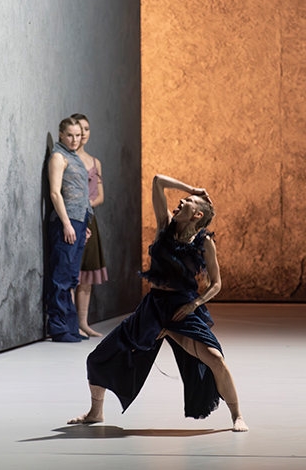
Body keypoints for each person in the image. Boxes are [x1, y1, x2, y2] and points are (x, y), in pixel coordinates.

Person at [68, 174, 248, 431]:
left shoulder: (205, 243)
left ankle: (237, 415)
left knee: (215, 358)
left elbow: (216, 284)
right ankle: (96, 413)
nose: (180, 202)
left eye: (187, 201)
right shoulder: (165, 226)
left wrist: (194, 304)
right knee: (98, 357)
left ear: (197, 215)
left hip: (182, 307)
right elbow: (157, 181)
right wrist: (193, 188)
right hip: (153, 307)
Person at [46, 117, 92, 342]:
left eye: (78, 135)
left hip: (78, 221)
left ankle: (71, 327)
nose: (75, 139)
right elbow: (55, 193)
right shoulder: (58, 156)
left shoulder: (74, 157)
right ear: (61, 135)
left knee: (72, 277)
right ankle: (58, 328)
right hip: (66, 221)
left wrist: (84, 224)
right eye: (70, 135)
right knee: (61, 276)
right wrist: (66, 223)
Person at [70, 113, 108, 338]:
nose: (83, 134)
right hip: (73, 219)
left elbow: (101, 196)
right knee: (72, 274)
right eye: (79, 129)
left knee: (87, 274)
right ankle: (71, 323)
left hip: (90, 219)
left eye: (86, 129)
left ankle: (83, 323)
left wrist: (86, 206)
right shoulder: (67, 159)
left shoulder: (95, 162)